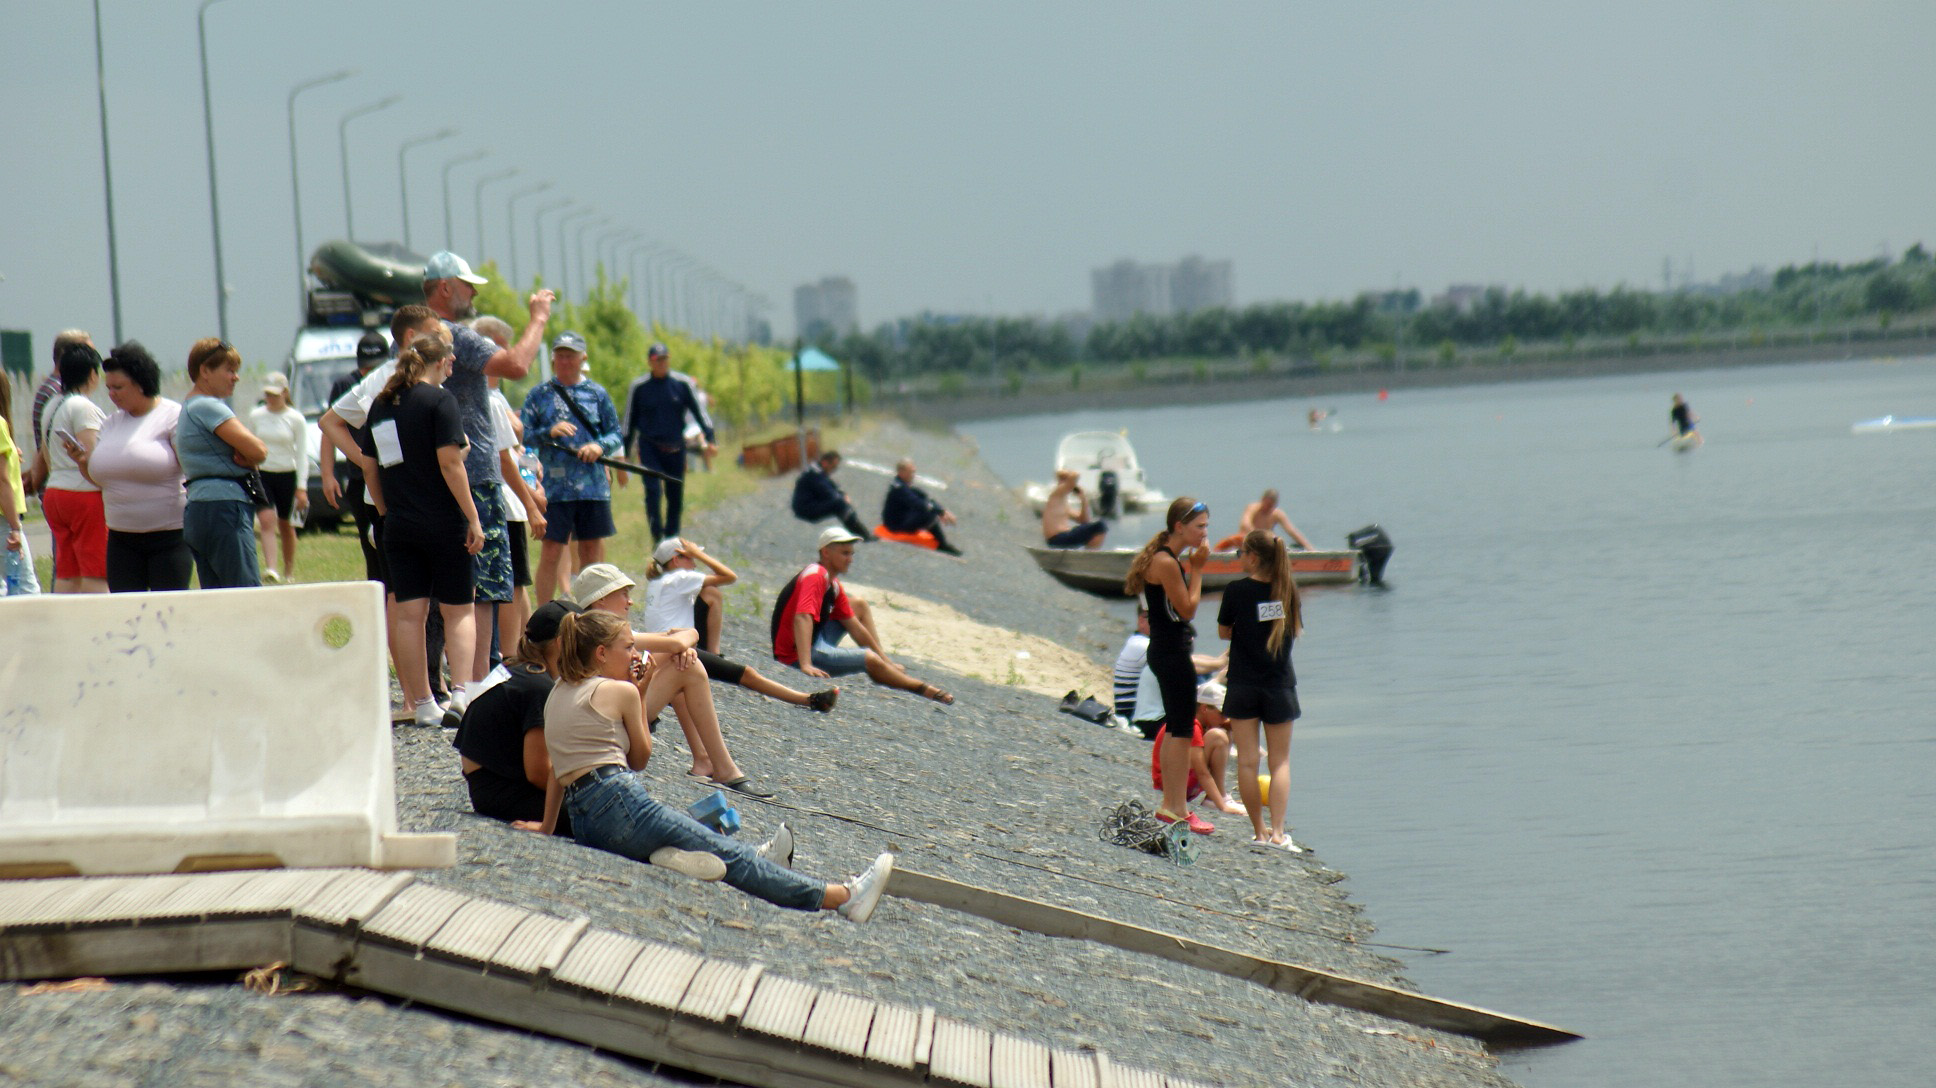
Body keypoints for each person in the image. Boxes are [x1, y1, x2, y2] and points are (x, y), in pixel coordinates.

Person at [529, 608, 896, 924]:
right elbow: (640, 760)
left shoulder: (556, 694)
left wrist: (547, 826)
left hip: (586, 822)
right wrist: (641, 690)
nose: (635, 654)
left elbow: (559, 774)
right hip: (619, 799)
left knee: (690, 833)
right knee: (729, 857)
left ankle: (687, 855)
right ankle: (843, 897)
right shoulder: (620, 691)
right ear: (601, 653)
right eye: (628, 648)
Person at [420, 251, 556, 705]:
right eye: (467, 284)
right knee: (483, 584)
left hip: (431, 478)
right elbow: (517, 365)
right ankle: (476, 681)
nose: (474, 292)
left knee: (437, 589)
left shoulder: (411, 338)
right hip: (473, 474)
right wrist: (538, 318)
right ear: (445, 287)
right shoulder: (457, 336)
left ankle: (436, 685)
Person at [358, 328, 483, 729]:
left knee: (409, 613)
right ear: (441, 361)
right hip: (442, 519)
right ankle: (461, 693)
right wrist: (473, 518)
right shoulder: (440, 399)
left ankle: (423, 701)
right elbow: (450, 462)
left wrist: (385, 510)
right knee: (458, 608)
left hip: (399, 521)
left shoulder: (382, 404)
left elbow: (371, 465)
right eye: (450, 362)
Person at [572, 562, 777, 797]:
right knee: (688, 666)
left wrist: (680, 649)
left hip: (608, 717)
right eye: (624, 594)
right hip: (608, 726)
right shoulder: (607, 634)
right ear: (601, 601)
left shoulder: (592, 628)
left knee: (683, 661)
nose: (630, 602)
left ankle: (707, 761)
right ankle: (723, 768)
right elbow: (679, 640)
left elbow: (674, 640)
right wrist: (684, 645)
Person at [642, 538, 839, 713]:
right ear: (676, 560)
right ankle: (809, 700)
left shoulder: (657, 583)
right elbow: (729, 576)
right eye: (690, 559)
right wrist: (700, 554)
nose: (694, 564)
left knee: (711, 592)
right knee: (747, 675)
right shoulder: (679, 578)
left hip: (662, 649)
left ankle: (713, 655)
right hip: (677, 653)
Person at [773, 526, 953, 704]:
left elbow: (854, 626)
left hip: (813, 638)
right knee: (868, 658)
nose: (850, 559)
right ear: (826, 553)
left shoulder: (832, 584)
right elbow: (802, 617)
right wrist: (806, 664)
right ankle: (921, 688)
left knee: (858, 605)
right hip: (794, 654)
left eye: (852, 554)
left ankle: (885, 668)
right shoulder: (816, 576)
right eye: (845, 553)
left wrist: (886, 661)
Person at [454, 598, 579, 836]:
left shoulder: (518, 669)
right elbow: (539, 773)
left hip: (487, 784)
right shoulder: (538, 687)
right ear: (562, 644)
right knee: (599, 816)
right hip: (504, 792)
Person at [72, 342, 191, 592]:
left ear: (140, 383)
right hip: (121, 538)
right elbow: (103, 478)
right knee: (125, 615)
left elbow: (190, 468)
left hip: (168, 537)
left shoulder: (172, 416)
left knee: (165, 614)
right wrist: (83, 463)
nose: (112, 394)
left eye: (118, 387)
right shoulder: (111, 423)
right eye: (108, 388)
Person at [1126, 496, 1213, 835]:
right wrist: (1200, 569)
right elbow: (1188, 609)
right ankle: (1173, 807)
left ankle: (1176, 806)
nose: (1205, 534)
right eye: (1200, 527)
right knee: (1181, 729)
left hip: (1167, 650)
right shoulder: (1166, 562)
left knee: (1180, 727)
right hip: (1170, 651)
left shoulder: (1166, 555)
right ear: (1180, 527)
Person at [1218, 530, 1305, 851]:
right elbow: (1294, 630)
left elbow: (1223, 632)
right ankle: (1279, 832)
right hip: (1279, 683)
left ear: (1253, 557)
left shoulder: (1236, 590)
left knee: (1247, 762)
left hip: (1242, 683)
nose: (1239, 558)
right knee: (1279, 762)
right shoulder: (1287, 591)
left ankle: (1258, 831)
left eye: (1241, 552)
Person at [522, 332, 621, 603]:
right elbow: (521, 438)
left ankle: (592, 612)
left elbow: (615, 434)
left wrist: (599, 447)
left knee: (591, 551)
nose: (565, 361)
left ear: (583, 359)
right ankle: (544, 614)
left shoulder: (597, 394)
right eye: (560, 356)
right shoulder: (539, 395)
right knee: (551, 551)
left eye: (570, 356)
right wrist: (548, 433)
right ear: (553, 359)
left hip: (592, 488)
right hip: (554, 490)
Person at [473, 315, 546, 657]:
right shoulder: (482, 399)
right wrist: (531, 501)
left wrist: (533, 476)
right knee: (509, 587)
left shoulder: (497, 396)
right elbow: (503, 459)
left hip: (517, 498)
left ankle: (527, 651)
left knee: (518, 584)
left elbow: (519, 451)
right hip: (505, 500)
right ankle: (511, 656)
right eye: (507, 348)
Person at [177, 339, 268, 589]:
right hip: (224, 508)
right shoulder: (208, 406)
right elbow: (259, 450)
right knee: (244, 593)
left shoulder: (188, 407)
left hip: (198, 508)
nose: (236, 377)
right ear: (205, 371)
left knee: (216, 597)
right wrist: (250, 457)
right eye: (229, 370)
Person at [622, 342, 715, 543]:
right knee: (653, 490)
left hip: (675, 447)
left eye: (664, 359)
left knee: (675, 493)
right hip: (649, 447)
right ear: (650, 362)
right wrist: (625, 449)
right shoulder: (639, 387)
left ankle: (672, 538)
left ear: (669, 360)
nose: (661, 363)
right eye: (657, 360)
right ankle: (657, 534)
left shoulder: (682, 384)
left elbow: (700, 412)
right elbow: (629, 420)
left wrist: (710, 436)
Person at [319, 330, 391, 588]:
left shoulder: (393, 379)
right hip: (360, 475)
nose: (368, 374)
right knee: (372, 547)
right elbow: (328, 430)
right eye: (364, 369)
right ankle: (379, 599)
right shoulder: (345, 384)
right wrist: (328, 475)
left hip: (390, 472)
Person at [39, 341, 109, 593]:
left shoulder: (53, 404)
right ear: (92, 374)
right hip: (83, 494)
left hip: (55, 491)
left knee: (68, 571)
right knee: (94, 570)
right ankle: (98, 624)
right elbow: (92, 455)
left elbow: (45, 452)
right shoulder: (83, 406)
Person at [1147, 681, 1244, 819]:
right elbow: (1202, 772)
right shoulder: (1191, 726)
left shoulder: (1196, 721)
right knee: (1218, 736)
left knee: (1225, 731)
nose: (1225, 718)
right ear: (1204, 708)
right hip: (1173, 786)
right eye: (1222, 713)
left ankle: (1217, 796)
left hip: (1175, 781)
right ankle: (1217, 798)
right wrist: (1223, 807)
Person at [248, 372, 308, 584]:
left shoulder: (295, 419)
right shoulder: (256, 416)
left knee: (285, 524)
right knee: (266, 520)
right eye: (267, 394)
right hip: (263, 473)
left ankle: (289, 570)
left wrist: (301, 487)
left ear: (284, 392)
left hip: (287, 474)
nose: (270, 398)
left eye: (274, 394)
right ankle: (271, 568)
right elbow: (249, 445)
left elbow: (301, 455)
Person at [24, 329, 93, 496]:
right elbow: (46, 444)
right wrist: (35, 481)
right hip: (65, 485)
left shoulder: (51, 387)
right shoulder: (59, 392)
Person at [0, 371, 38, 596]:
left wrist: (12, 453)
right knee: (26, 590)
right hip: (4, 520)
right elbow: (2, 480)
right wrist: (15, 527)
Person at [881, 457, 961, 555]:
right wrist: (939, 512)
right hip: (894, 525)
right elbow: (918, 504)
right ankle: (942, 545)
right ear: (901, 472)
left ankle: (942, 543)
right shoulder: (899, 488)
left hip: (900, 518)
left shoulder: (901, 485)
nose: (913, 475)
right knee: (927, 513)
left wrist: (942, 510)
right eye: (910, 472)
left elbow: (925, 499)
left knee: (925, 502)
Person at [790, 450, 872, 541]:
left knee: (840, 502)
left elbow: (833, 486)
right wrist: (843, 499)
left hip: (808, 505)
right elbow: (828, 493)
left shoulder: (817, 470)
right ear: (825, 463)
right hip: (805, 510)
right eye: (833, 467)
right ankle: (863, 535)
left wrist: (842, 494)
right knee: (839, 504)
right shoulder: (814, 475)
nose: (834, 470)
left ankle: (860, 533)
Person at [1041, 468, 1107, 550]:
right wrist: (1070, 477)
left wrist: (1083, 499)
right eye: (1061, 480)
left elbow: (1084, 520)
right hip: (1057, 538)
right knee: (1100, 525)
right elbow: (1074, 476)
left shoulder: (1063, 502)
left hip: (1063, 537)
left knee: (1099, 526)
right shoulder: (1055, 495)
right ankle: (1090, 553)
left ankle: (1090, 553)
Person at [1225, 489, 1311, 552]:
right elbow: (1245, 524)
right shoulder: (1252, 508)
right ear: (1262, 500)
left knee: (1285, 547)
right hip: (1248, 544)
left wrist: (1309, 548)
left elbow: (1292, 531)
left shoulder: (1277, 514)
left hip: (1265, 547)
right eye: (1266, 504)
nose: (1267, 508)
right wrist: (1260, 537)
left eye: (1270, 506)